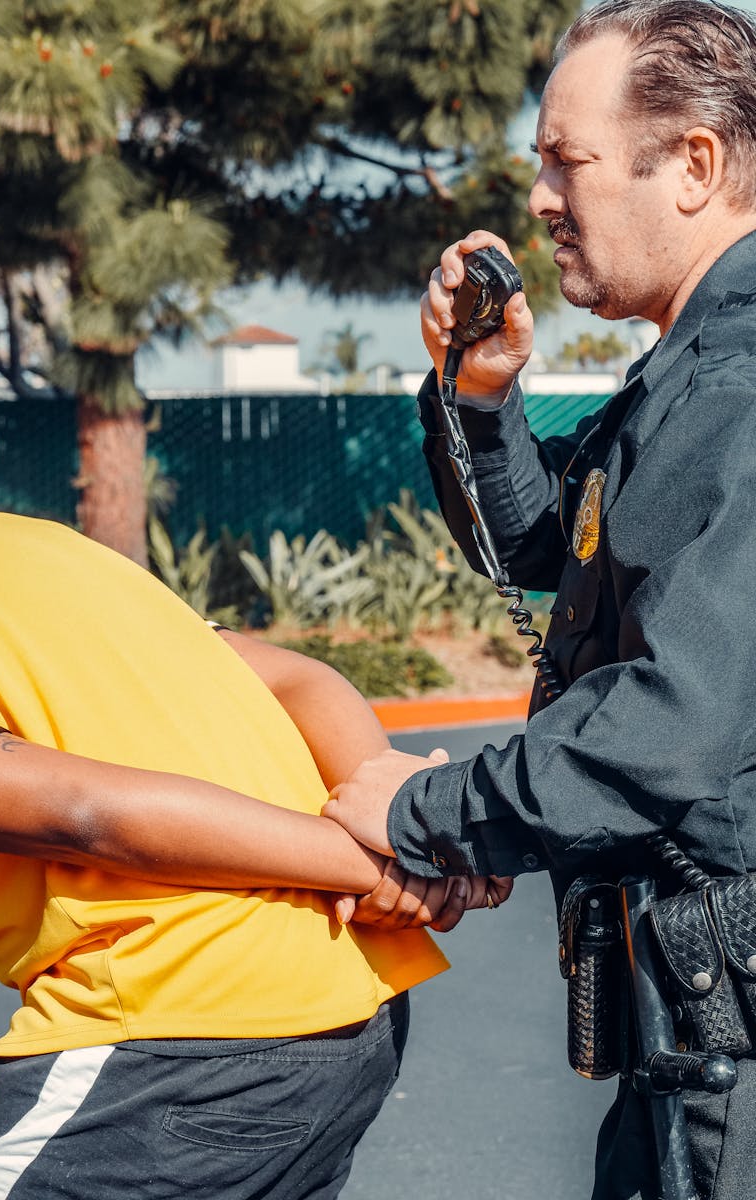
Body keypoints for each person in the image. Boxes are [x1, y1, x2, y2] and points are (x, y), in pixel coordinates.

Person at [323, 1, 756, 1197]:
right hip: (689, 1046)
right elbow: (551, 555)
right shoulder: (692, 372)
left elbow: (669, 728)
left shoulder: (742, 390)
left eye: (566, 163)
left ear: (694, 166)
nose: (541, 202)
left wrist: (425, 810)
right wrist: (477, 394)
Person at [0, 509, 506, 1200]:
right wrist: (400, 828)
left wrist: (385, 861)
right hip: (352, 1010)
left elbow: (89, 815)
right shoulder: (27, 545)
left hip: (172, 1032)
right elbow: (299, 678)